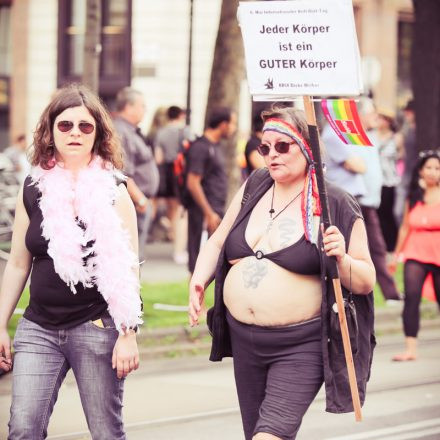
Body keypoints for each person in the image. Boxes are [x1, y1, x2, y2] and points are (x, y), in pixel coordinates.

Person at [188, 106, 376, 440]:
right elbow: (217, 242)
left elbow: (365, 281)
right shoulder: (256, 184)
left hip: (299, 345)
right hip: (244, 340)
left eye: (282, 146)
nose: (271, 155)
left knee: (269, 435)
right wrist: (199, 280)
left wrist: (342, 258)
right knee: (258, 434)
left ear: (308, 146)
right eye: (265, 148)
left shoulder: (335, 202)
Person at [0, 84, 143, 439]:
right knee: (22, 428)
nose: (75, 133)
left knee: (106, 432)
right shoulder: (33, 187)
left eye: (85, 126)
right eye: (65, 125)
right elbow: (19, 262)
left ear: (98, 134)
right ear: (50, 130)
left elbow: (128, 268)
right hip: (38, 328)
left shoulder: (114, 189)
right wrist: (0, 323)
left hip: (96, 328)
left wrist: (128, 334)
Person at [389, 150, 440, 361]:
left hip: (437, 250)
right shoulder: (414, 196)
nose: (433, 172)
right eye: (429, 167)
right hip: (415, 250)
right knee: (411, 298)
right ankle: (410, 349)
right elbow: (404, 227)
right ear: (420, 170)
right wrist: (396, 255)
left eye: (437, 168)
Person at [186, 107, 237, 273]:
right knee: (199, 258)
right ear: (223, 124)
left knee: (214, 259)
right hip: (204, 212)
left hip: (215, 209)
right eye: (233, 124)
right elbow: (193, 183)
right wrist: (208, 213)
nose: (234, 128)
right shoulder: (201, 147)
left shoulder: (215, 146)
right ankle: (195, 298)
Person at [113, 87, 159, 261]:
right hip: (133, 202)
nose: (145, 110)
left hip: (139, 201)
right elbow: (122, 172)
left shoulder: (130, 130)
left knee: (136, 254)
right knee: (131, 255)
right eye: (142, 106)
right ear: (129, 106)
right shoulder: (121, 132)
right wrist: (141, 200)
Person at [155, 105, 192, 264]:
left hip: (166, 173)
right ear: (181, 115)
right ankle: (178, 247)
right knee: (180, 210)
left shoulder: (161, 132)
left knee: (171, 208)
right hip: (180, 172)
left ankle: (169, 228)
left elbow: (158, 158)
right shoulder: (185, 131)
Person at [376, 110, 402, 252]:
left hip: (389, 181)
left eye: (383, 118)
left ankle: (392, 245)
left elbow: (400, 154)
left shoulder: (396, 137)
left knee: (387, 214)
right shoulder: (373, 135)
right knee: (377, 214)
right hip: (376, 180)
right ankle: (381, 244)